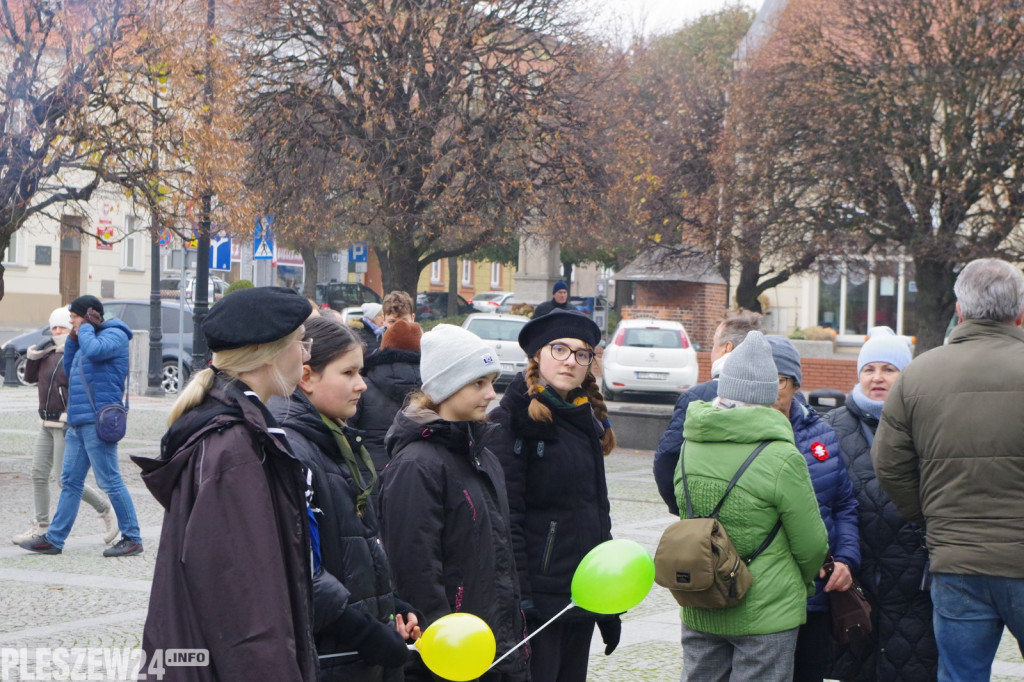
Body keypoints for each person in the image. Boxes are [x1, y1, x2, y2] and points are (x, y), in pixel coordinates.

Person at [134, 286, 318, 681]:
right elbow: (246, 604)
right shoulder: (234, 447)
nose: (306, 356)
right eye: (302, 343)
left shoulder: (237, 430)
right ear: (268, 352)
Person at [873, 258, 1024, 682]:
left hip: (956, 559)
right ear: (1020, 312)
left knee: (960, 675)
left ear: (960, 310)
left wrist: (929, 515)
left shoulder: (917, 375)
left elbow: (888, 465)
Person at [271, 316, 421, 681]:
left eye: (361, 371)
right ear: (307, 377)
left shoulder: (335, 438)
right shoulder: (295, 449)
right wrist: (366, 632)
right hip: (332, 656)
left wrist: (391, 606)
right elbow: (302, 569)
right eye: (349, 373)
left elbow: (357, 546)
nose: (362, 385)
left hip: (355, 654)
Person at [674, 331, 829, 682]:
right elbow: (812, 544)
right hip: (767, 607)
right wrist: (800, 584)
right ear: (767, 394)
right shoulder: (781, 456)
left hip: (703, 596)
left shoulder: (690, 443)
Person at [380, 324, 528, 682]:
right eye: (478, 383)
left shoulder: (482, 456)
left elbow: (497, 561)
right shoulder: (417, 465)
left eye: (492, 381)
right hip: (453, 657)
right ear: (447, 387)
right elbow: (415, 572)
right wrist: (447, 652)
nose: (492, 394)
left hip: (494, 648)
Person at [485, 309, 618, 682]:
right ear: (538, 355)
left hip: (581, 595)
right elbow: (506, 520)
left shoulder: (584, 418)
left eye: (581, 353)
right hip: (539, 602)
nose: (570, 361)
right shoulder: (511, 421)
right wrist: (521, 601)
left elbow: (596, 515)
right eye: (559, 349)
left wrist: (606, 604)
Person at [822, 327, 937, 681]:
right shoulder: (832, 426)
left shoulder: (927, 423)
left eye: (889, 369)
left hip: (911, 580)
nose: (878, 378)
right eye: (869, 369)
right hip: (853, 576)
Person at [765, 335, 860, 682]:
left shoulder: (821, 434)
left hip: (816, 593)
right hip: (762, 595)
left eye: (778, 380)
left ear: (793, 384)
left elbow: (844, 503)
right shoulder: (739, 436)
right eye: (762, 379)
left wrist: (847, 558)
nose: (770, 390)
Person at [19, 295, 143, 558]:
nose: (71, 323)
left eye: (74, 318)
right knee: (70, 481)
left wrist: (84, 328)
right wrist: (74, 338)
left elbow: (96, 351)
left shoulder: (116, 335)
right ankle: (54, 539)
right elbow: (69, 364)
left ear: (87, 317)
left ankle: (132, 537)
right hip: (77, 421)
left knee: (110, 480)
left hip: (98, 421)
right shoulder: (85, 338)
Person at [12, 307, 117, 546]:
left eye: (62, 327)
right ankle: (41, 525)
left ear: (71, 330)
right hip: (45, 421)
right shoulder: (48, 353)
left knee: (64, 479)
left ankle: (104, 509)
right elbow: (28, 378)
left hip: (64, 423)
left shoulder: (75, 353)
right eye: (54, 327)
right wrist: (33, 355)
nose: (57, 331)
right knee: (38, 474)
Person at [653, 310, 764, 514]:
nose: (712, 352)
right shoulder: (779, 397)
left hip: (705, 518)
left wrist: (683, 507)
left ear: (726, 348)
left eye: (714, 345)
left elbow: (668, 457)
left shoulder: (696, 397)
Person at [349, 319, 423, 478]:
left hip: (369, 476)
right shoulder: (432, 388)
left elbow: (348, 433)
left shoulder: (361, 386)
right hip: (418, 474)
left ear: (384, 347)